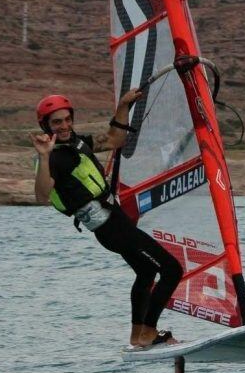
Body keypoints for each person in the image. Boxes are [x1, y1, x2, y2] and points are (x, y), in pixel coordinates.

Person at [29, 91, 183, 349]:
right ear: (46, 126)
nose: (64, 126)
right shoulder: (54, 158)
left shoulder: (78, 143)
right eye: (57, 122)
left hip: (114, 220)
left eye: (67, 119)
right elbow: (42, 195)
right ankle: (149, 331)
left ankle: (137, 336)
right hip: (110, 226)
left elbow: (115, 138)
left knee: (146, 272)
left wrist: (123, 105)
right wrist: (44, 156)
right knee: (171, 269)